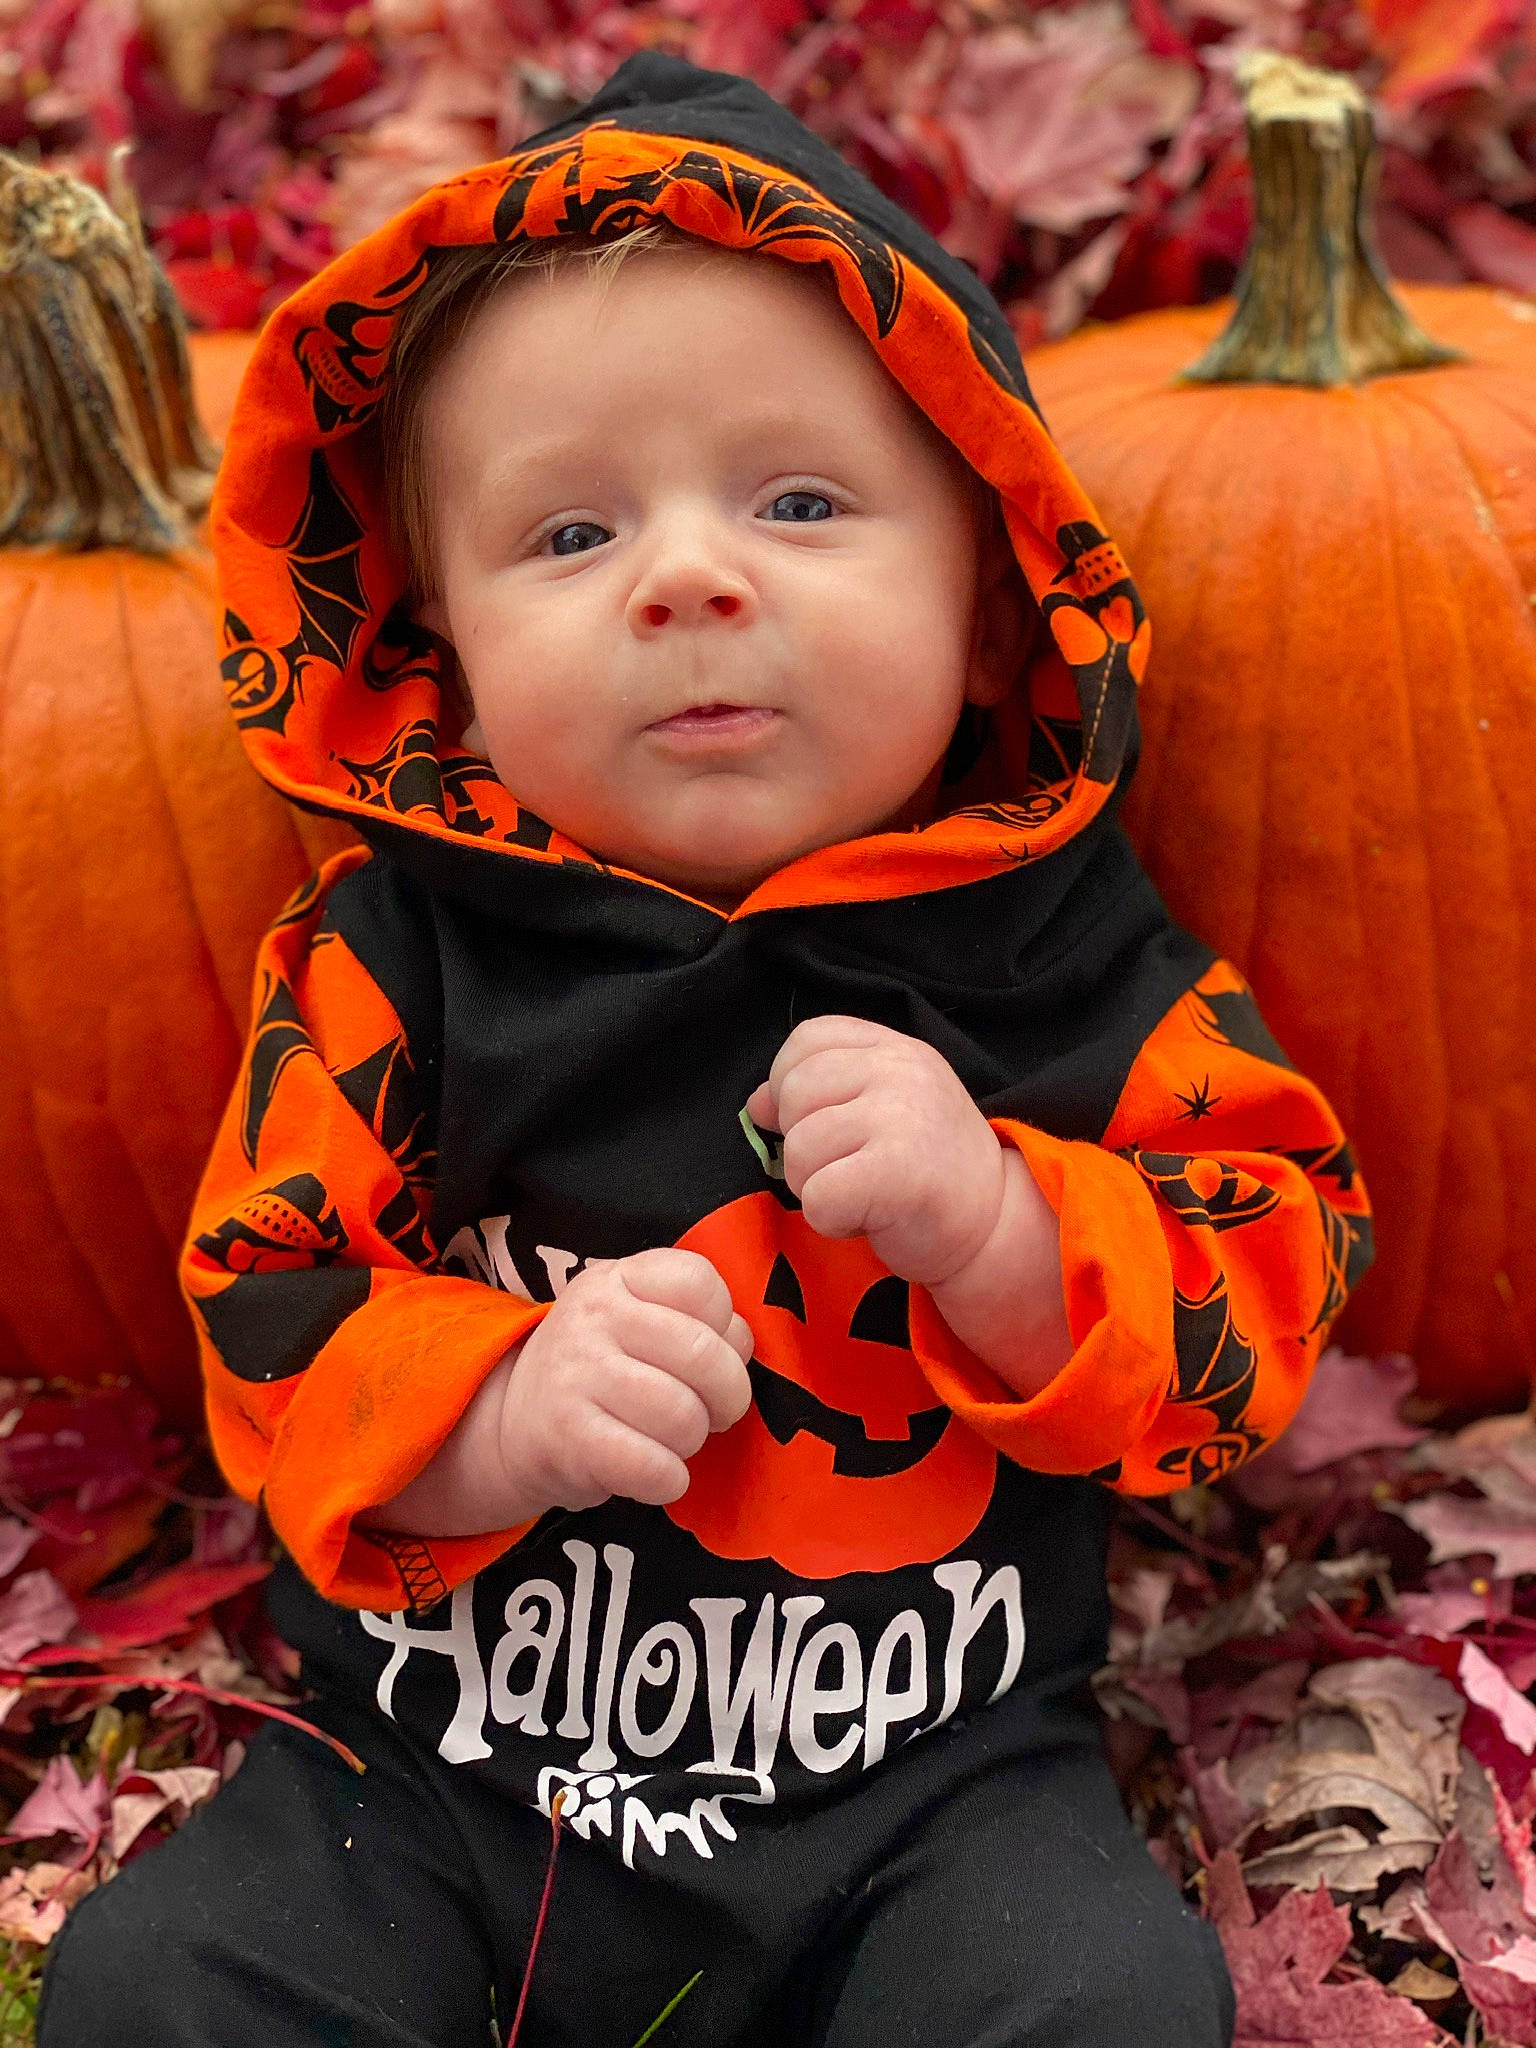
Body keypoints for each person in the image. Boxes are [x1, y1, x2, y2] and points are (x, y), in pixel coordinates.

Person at [38, 51, 1371, 2048]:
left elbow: (1259, 1266)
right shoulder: (399, 965)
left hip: (929, 1779)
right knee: (159, 1986)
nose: (684, 573)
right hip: (437, 1773)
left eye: (803, 500)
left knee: (1094, 1996)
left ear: (994, 603)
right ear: (450, 666)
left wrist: (1003, 1226)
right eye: (569, 537)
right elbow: (267, 1299)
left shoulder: (1069, 959)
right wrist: (497, 1410)